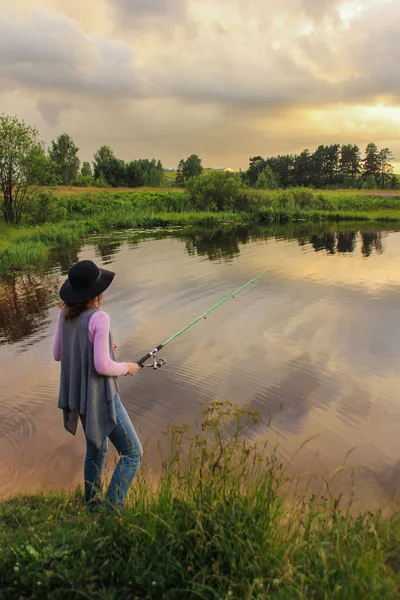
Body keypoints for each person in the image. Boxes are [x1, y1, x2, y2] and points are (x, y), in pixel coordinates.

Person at [53, 259, 142, 514]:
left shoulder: (64, 314)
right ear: (96, 292)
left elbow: (59, 353)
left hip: (79, 397)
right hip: (101, 397)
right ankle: (112, 513)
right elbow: (103, 366)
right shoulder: (100, 318)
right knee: (132, 453)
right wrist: (127, 367)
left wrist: (98, 346)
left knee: (96, 450)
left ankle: (92, 509)